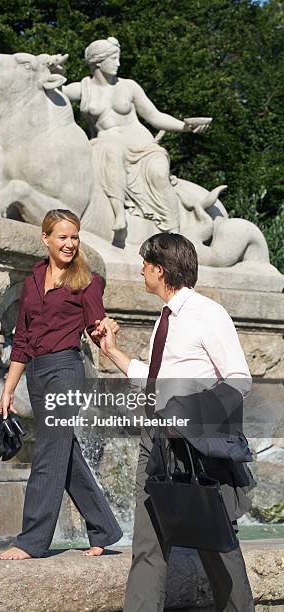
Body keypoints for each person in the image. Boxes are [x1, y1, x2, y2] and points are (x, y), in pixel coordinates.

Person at [92, 233, 255, 611]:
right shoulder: (164, 319)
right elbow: (154, 378)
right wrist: (112, 351)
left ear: (159, 270)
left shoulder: (207, 314)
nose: (140, 271)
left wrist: (188, 417)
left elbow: (237, 379)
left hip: (194, 443)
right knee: (148, 543)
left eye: (144, 264)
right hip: (157, 443)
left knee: (217, 543)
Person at [0, 209, 122, 560]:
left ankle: (31, 540)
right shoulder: (33, 279)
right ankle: (104, 529)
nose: (70, 244)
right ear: (46, 239)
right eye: (63, 237)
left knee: (49, 452)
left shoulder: (87, 280)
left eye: (75, 237)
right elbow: (22, 337)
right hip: (36, 373)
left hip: (66, 370)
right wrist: (8, 388)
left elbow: (96, 326)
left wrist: (106, 332)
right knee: (65, 454)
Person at [63, 37, 210, 233]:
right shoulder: (82, 89)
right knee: (110, 151)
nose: (118, 63)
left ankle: (174, 232)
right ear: (98, 61)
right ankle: (119, 216)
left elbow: (155, 116)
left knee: (159, 173)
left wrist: (186, 127)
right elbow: (52, 93)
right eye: (114, 58)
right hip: (106, 147)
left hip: (143, 148)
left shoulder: (129, 86)